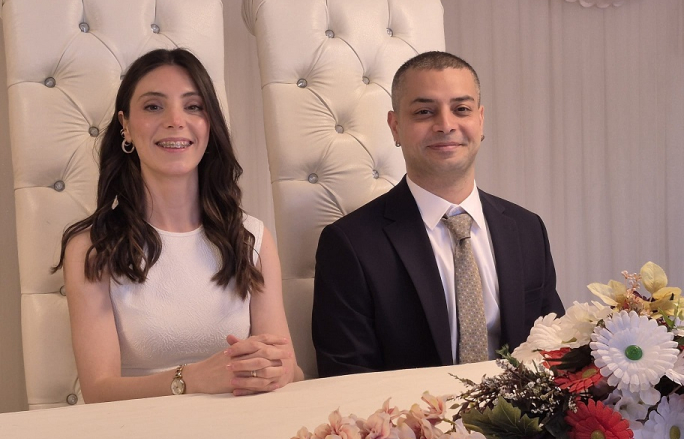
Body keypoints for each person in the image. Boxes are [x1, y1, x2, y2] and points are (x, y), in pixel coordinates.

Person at [54, 48, 303, 402]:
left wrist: (281, 370)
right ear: (125, 125)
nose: (175, 120)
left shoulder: (251, 238)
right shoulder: (92, 246)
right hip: (134, 428)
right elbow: (99, 390)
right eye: (154, 106)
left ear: (209, 124)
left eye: (193, 106)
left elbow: (292, 371)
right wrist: (192, 379)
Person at [312, 51, 565, 377]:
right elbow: (346, 376)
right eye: (424, 112)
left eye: (461, 109)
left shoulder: (527, 229)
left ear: (480, 120)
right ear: (395, 127)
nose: (446, 125)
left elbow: (556, 348)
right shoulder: (350, 244)